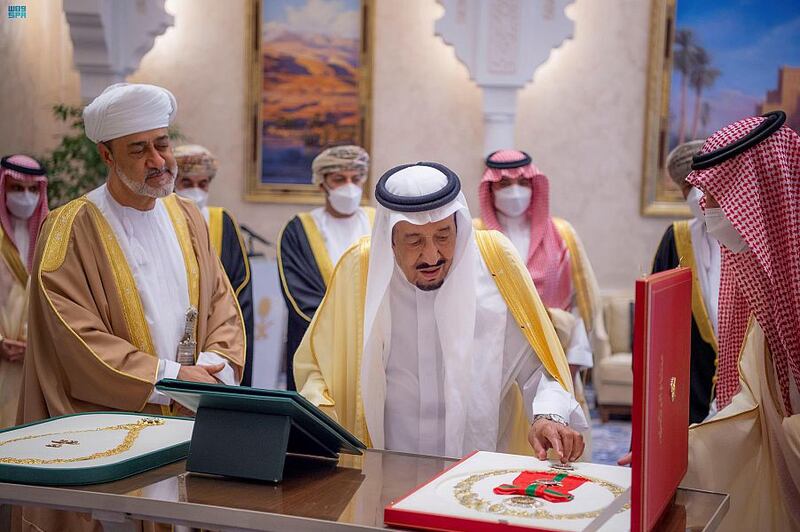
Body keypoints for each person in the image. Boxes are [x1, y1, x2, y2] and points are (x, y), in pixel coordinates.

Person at [16, 83, 245, 531]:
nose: (158, 161)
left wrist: (216, 368)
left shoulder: (187, 214)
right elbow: (73, 337)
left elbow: (221, 300)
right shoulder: (70, 227)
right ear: (106, 156)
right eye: (138, 149)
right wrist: (172, 378)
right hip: (113, 437)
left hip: (191, 419)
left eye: (162, 144)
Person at [294, 162, 587, 460]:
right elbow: (318, 368)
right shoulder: (360, 271)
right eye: (415, 240)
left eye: (444, 236)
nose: (432, 255)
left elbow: (538, 368)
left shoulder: (495, 264)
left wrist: (549, 414)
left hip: (475, 469)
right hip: (386, 466)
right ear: (390, 239)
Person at [682, 111, 800, 530]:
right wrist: (680, 453)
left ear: (762, 193)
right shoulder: (761, 292)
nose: (707, 206)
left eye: (718, 194)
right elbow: (750, 411)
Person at [476, 150, 607, 446]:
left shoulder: (562, 233)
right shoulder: (477, 236)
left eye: (523, 182)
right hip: (498, 369)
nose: (514, 191)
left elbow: (577, 305)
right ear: (489, 188)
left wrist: (570, 364)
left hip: (555, 358)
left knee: (556, 451)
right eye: (504, 184)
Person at [278, 145, 374, 390]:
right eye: (339, 179)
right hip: (320, 350)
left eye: (355, 178)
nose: (349, 186)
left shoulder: (380, 222)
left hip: (378, 345)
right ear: (322, 183)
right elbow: (300, 296)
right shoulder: (299, 229)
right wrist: (345, 335)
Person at [651, 140, 720, 424]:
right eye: (688, 188)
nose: (698, 196)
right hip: (693, 375)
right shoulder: (678, 238)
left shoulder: (750, 239)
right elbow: (658, 319)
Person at [174, 144, 254, 386]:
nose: (196, 191)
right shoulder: (162, 220)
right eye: (187, 183)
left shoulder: (222, 220)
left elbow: (240, 283)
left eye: (203, 184)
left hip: (216, 332)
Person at [0, 155, 48, 428]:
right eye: (17, 189)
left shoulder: (50, 237)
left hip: (37, 359)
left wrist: (37, 345)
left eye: (33, 189)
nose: (26, 197)